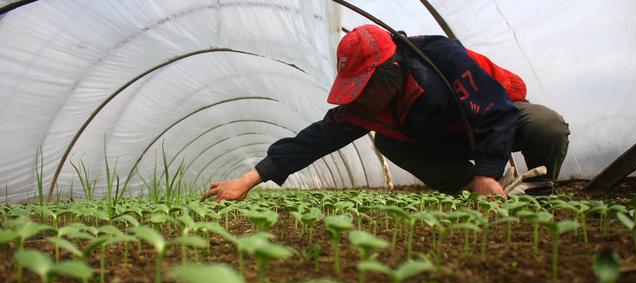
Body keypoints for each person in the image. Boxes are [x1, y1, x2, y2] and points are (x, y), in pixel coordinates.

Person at [202, 24, 569, 202]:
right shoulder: (367, 107)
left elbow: (494, 111)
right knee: (391, 143)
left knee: (547, 126)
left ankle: (539, 196)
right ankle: (479, 192)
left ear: (392, 72)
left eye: (365, 86)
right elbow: (313, 141)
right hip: (448, 142)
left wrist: (488, 170)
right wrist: (246, 180)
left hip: (497, 117)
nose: (358, 98)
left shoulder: (439, 60)